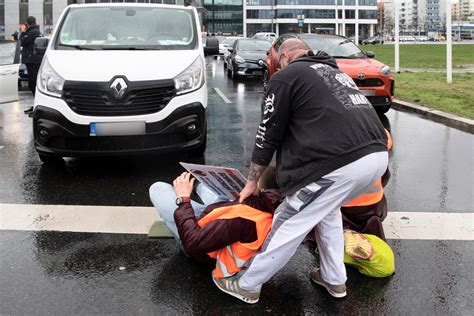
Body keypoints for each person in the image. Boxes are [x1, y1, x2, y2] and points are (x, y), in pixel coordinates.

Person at [212, 39, 389, 303]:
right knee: (328, 213)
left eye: (269, 56)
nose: (268, 62)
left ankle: (248, 284)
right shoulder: (334, 73)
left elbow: (267, 133)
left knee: (289, 218)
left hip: (339, 165)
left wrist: (253, 180)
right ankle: (334, 279)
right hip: (375, 156)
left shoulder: (286, 76)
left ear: (283, 56)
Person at [149, 171, 282, 279]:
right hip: (221, 218)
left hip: (203, 244)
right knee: (203, 185)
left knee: (157, 188)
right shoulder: (278, 207)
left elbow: (193, 242)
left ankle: (179, 218)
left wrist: (183, 200)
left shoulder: (244, 218)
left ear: (261, 188)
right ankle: (198, 189)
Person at [19, 16, 43, 114]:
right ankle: (36, 106)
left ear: (27, 24)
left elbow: (22, 41)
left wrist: (24, 31)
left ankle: (38, 108)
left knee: (33, 84)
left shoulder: (33, 32)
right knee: (32, 84)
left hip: (33, 62)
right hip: (33, 61)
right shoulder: (34, 32)